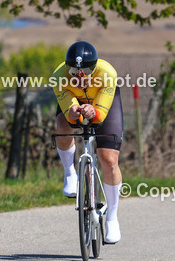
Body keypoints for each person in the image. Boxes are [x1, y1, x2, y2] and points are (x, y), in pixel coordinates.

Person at [52, 41, 124, 243]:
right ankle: (70, 172)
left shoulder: (107, 73)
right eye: (75, 74)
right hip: (74, 100)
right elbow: (68, 108)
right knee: (63, 125)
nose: (80, 78)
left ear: (94, 68)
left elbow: (99, 116)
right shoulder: (59, 77)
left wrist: (95, 112)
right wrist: (73, 112)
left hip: (103, 101)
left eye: (85, 73)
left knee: (108, 158)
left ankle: (112, 217)